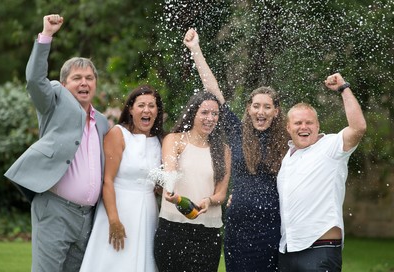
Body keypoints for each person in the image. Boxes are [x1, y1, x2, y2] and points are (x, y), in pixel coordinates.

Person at [4, 14, 109, 271]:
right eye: (77, 78)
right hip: (55, 210)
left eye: (89, 78)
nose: (84, 82)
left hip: (88, 218)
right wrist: (46, 35)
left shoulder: (104, 123)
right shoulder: (54, 102)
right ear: (64, 84)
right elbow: (34, 81)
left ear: (95, 84)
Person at [183, 28, 289, 271]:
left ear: (276, 112)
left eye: (267, 107)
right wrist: (196, 50)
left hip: (273, 225)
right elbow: (214, 92)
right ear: (249, 109)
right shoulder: (237, 131)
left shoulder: (287, 141)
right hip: (238, 224)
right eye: (256, 106)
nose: (260, 112)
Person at [277, 73, 367, 271]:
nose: (304, 127)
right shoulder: (287, 158)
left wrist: (344, 88)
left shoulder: (331, 147)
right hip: (288, 250)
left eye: (309, 122)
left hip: (321, 249)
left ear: (317, 126)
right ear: (288, 127)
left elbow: (358, 127)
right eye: (298, 123)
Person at [80, 85, 164, 272]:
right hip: (118, 210)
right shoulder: (118, 134)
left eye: (152, 106)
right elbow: (107, 180)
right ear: (131, 109)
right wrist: (113, 220)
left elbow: (158, 184)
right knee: (114, 262)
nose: (147, 110)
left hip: (149, 211)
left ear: (157, 111)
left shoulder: (159, 140)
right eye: (141, 105)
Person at [153, 90, 232, 272]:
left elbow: (221, 194)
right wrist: (170, 189)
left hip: (208, 233)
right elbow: (170, 169)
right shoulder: (175, 140)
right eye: (204, 112)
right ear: (193, 113)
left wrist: (209, 201)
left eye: (215, 114)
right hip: (173, 229)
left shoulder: (224, 150)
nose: (210, 118)